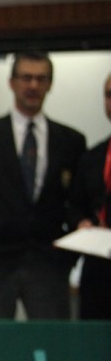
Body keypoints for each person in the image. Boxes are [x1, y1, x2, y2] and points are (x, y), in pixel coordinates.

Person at [0, 51, 86, 319]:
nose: (33, 85)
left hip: (48, 261)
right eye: (26, 78)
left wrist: (69, 255)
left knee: (52, 340)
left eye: (40, 79)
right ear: (12, 83)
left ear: (50, 84)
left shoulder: (70, 140)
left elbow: (77, 201)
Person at [67, 72, 111, 320]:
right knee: (93, 337)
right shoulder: (93, 156)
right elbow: (75, 205)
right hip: (99, 269)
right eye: (109, 95)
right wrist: (81, 222)